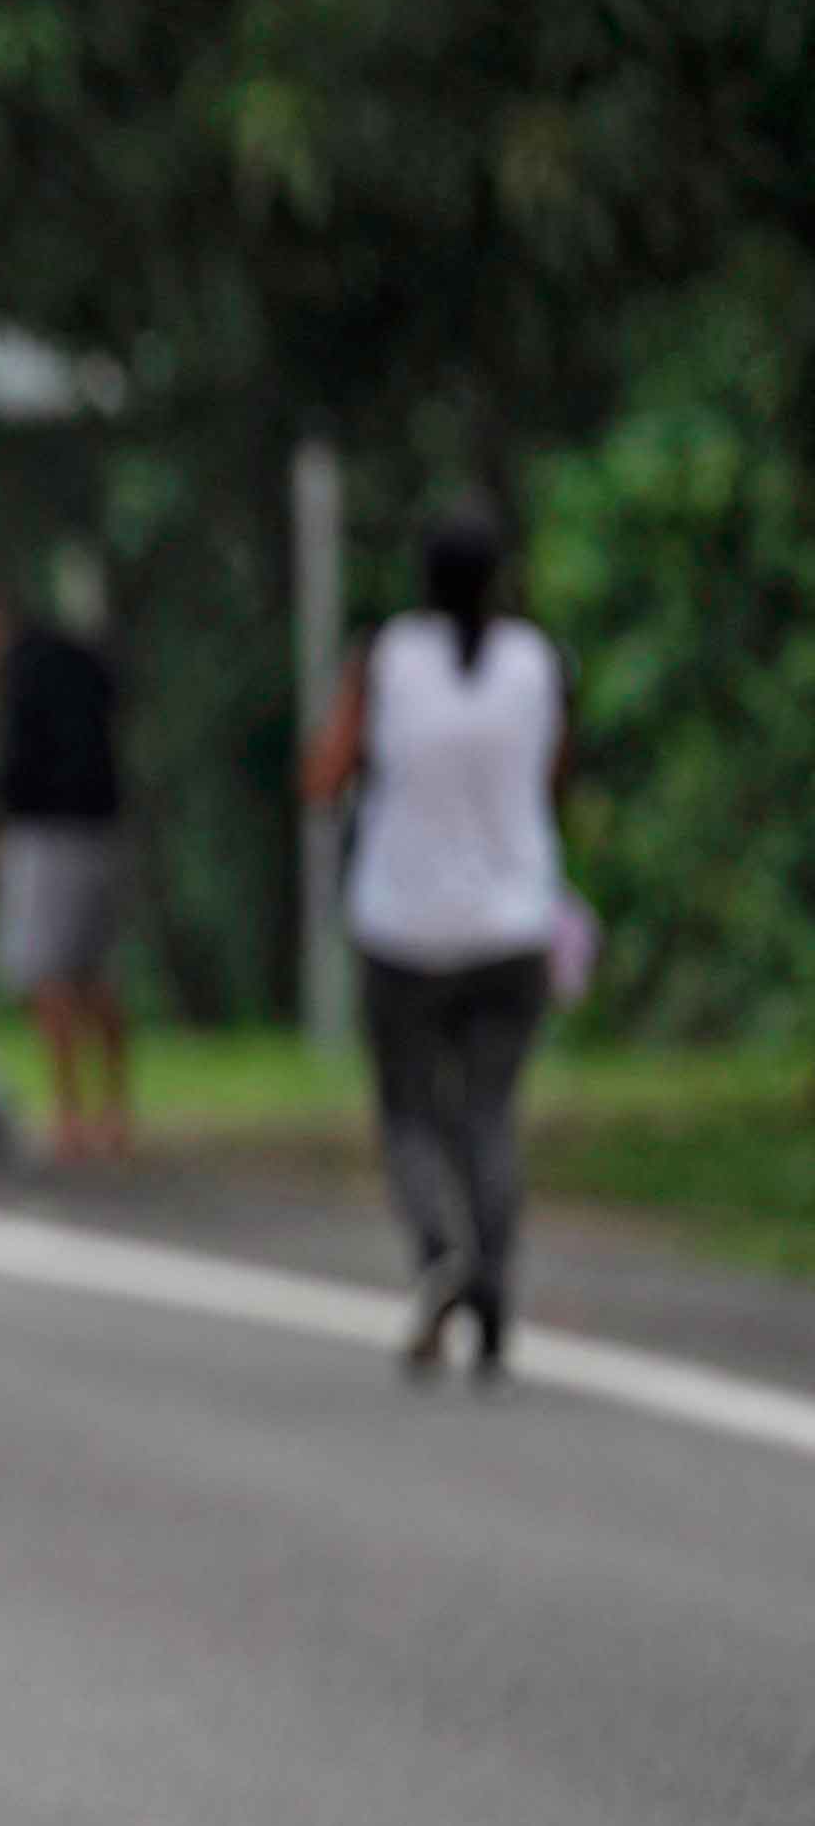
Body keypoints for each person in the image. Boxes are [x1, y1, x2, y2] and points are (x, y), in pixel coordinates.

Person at [308, 512, 572, 1382]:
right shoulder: (536, 661)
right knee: (488, 1112)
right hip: (511, 925)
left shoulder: (386, 659)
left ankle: (439, 1252)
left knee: (411, 1111)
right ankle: (493, 1287)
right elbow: (552, 776)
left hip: (404, 924)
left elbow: (323, 775)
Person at [0, 586, 132, 1162]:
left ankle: (68, 1115)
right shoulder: (80, 662)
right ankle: (116, 1111)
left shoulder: (18, 674)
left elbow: (9, 767)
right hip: (101, 830)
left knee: (49, 976)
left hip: (42, 838)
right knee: (95, 973)